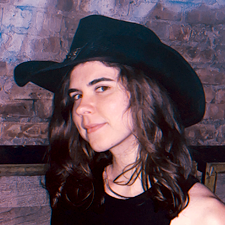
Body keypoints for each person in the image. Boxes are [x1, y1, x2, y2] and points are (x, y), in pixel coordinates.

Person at [14, 15, 225, 225]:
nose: (80, 108)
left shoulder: (202, 216)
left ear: (147, 96)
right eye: (76, 95)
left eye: (102, 88)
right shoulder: (75, 189)